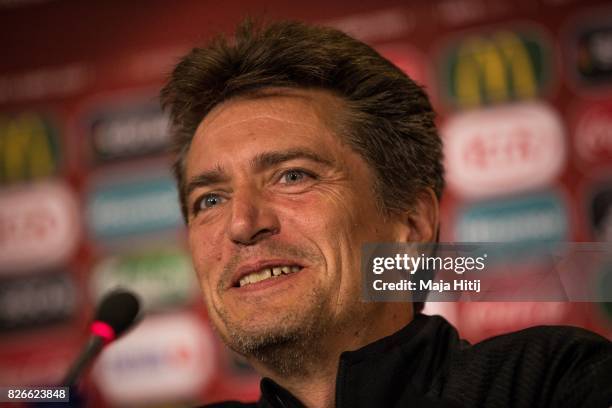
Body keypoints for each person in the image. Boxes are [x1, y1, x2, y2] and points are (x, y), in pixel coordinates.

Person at [160, 20, 612, 408]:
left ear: (411, 225)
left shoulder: (553, 384)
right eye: (210, 200)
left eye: (292, 176)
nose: (242, 224)